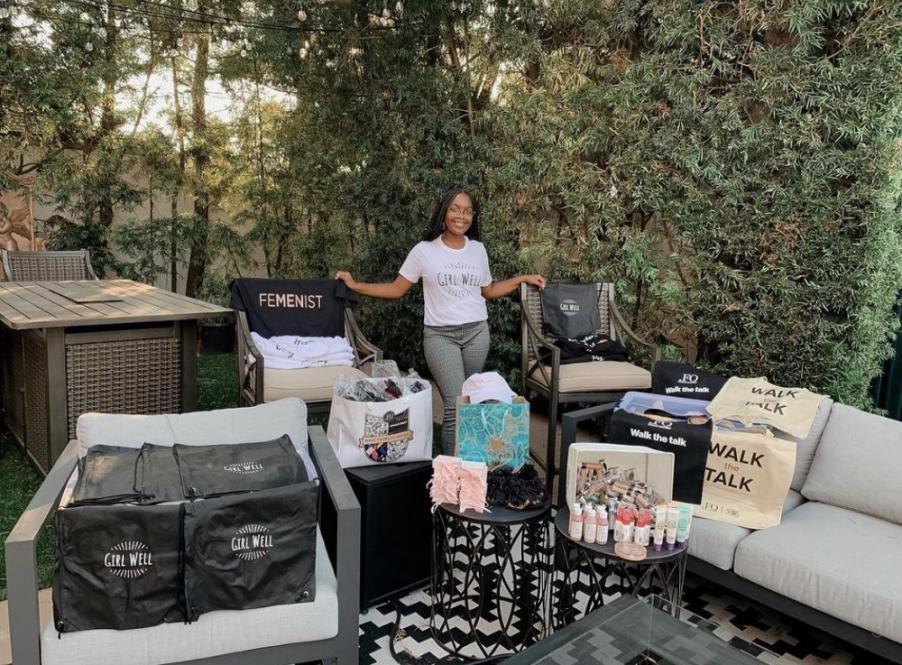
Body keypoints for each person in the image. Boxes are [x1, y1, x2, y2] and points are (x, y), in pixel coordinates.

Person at [336, 188, 546, 454]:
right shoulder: (424, 251)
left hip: (477, 334)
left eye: (468, 211)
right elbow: (396, 289)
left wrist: (521, 278)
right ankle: (450, 476)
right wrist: (355, 286)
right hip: (440, 336)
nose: (462, 216)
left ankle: (472, 465)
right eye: (455, 209)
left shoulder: (478, 250)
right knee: (455, 406)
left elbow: (489, 290)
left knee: (470, 403)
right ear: (444, 213)